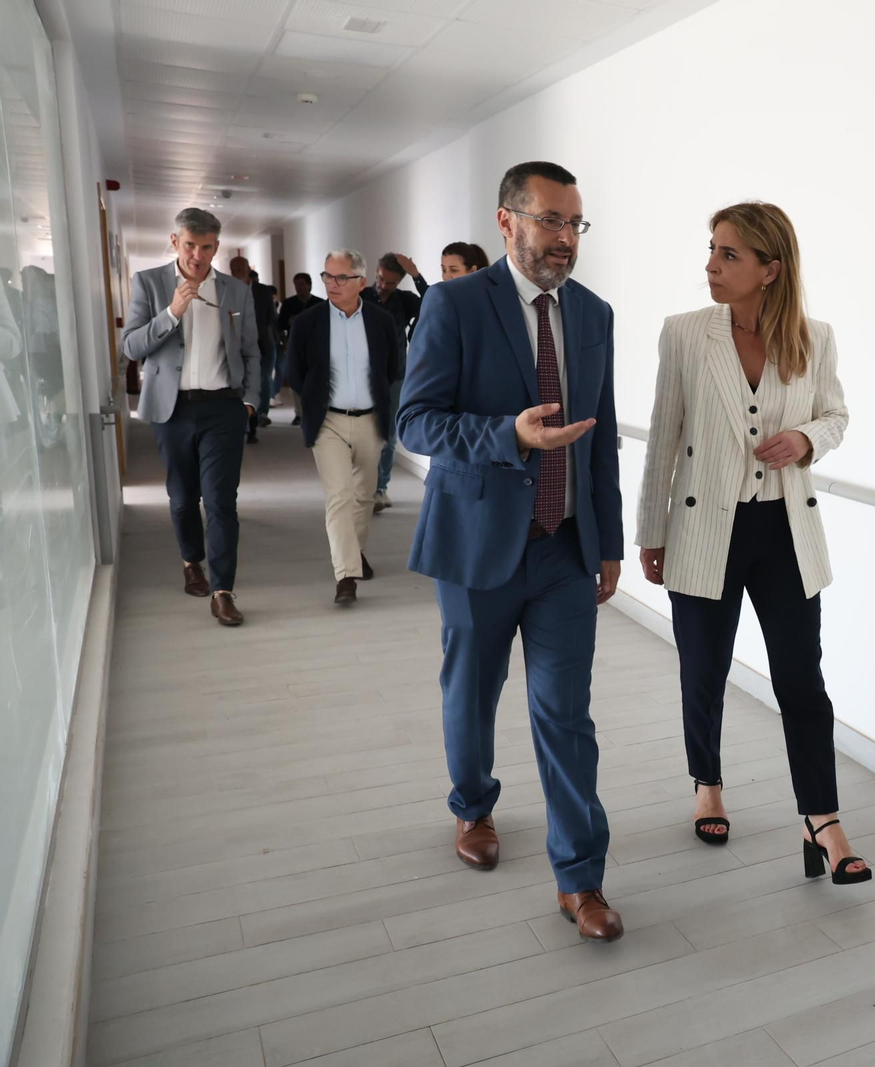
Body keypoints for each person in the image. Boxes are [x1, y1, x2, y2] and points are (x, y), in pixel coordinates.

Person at [398, 160, 625, 941]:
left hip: (565, 548)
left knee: (566, 714)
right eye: (550, 220)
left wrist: (610, 542)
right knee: (473, 691)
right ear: (508, 222)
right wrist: (507, 435)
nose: (565, 238)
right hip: (478, 544)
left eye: (574, 223)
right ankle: (473, 805)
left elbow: (603, 444)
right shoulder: (455, 303)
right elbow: (416, 422)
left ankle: (580, 878)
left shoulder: (594, 315)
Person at [636, 202, 868, 884]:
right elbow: (663, 437)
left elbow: (836, 413)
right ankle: (707, 782)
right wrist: (651, 531)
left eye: (729, 253)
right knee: (703, 669)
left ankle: (821, 819)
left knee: (803, 681)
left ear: (770, 269)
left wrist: (807, 439)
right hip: (704, 526)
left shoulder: (814, 338)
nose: (711, 263)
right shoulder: (684, 334)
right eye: (711, 249)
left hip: (786, 532)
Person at [122, 208, 259, 626]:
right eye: (190, 245)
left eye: (206, 247)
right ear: (174, 242)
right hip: (173, 409)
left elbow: (252, 349)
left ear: (216, 247)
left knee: (221, 501)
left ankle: (223, 591)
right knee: (183, 498)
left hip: (223, 407)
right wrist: (171, 313)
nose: (198, 255)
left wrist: (250, 400)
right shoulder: (150, 282)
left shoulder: (236, 290)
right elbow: (131, 347)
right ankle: (190, 560)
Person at [283, 251, 403, 605]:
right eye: (327, 277)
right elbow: (295, 372)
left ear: (360, 283)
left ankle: (355, 553)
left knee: (363, 497)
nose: (331, 284)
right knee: (339, 497)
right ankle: (346, 576)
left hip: (369, 419)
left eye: (340, 278)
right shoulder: (308, 322)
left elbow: (391, 366)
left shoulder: (380, 321)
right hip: (329, 421)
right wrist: (316, 400)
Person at [363, 252, 427, 511]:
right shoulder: (361, 296)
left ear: (399, 281)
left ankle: (380, 488)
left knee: (388, 435)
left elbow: (434, 301)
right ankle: (362, 486)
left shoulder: (405, 301)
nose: (382, 285)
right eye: (379, 278)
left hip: (395, 375)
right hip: (361, 375)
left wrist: (416, 274)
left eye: (389, 282)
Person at [230, 256, 277, 441]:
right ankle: (245, 423)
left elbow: (271, 316)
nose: (238, 271)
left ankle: (257, 419)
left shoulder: (263, 291)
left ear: (248, 268)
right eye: (235, 269)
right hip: (235, 348)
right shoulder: (225, 289)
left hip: (261, 344)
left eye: (241, 268)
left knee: (258, 381)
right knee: (239, 386)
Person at [277, 271, 324, 426]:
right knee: (296, 380)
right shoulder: (289, 304)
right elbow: (280, 325)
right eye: (296, 284)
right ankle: (299, 413)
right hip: (295, 346)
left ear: (309, 285)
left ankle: (314, 410)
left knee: (315, 380)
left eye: (302, 284)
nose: (299, 287)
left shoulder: (319, 304)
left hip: (315, 347)